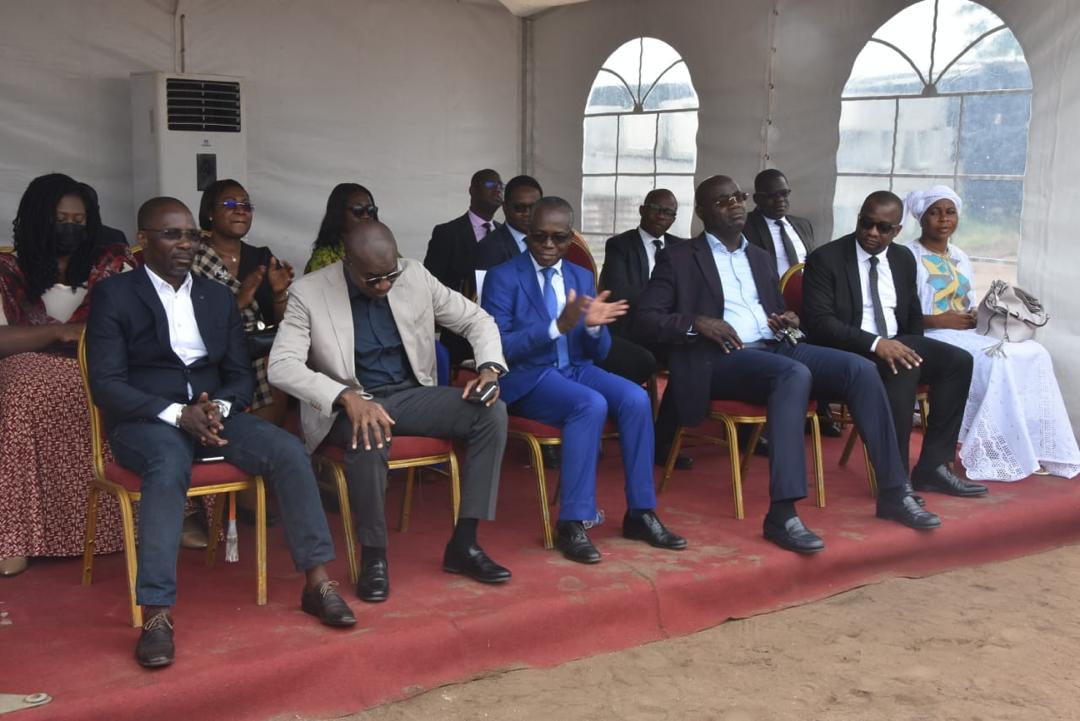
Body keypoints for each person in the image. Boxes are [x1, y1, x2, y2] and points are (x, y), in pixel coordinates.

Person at [86, 197, 355, 669]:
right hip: (148, 421)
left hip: (215, 414)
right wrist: (178, 414)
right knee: (168, 463)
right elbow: (106, 383)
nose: (185, 243)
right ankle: (156, 613)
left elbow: (239, 374)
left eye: (190, 235)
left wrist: (218, 409)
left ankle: (317, 583)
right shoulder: (116, 294)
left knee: (288, 450)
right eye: (171, 234)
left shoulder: (215, 296)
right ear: (143, 239)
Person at [635, 176, 942, 554]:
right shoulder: (680, 257)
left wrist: (788, 319)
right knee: (792, 375)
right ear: (700, 212)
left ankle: (894, 491)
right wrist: (697, 322)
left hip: (775, 346)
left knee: (858, 368)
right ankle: (782, 513)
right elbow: (645, 319)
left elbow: (776, 312)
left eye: (738, 198)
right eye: (722, 201)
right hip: (720, 358)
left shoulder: (759, 257)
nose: (735, 205)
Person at [268, 220, 512, 603]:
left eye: (390, 275)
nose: (384, 285)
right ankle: (374, 556)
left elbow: (476, 319)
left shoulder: (414, 275)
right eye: (372, 279)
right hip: (346, 406)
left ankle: (464, 543)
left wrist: (489, 369)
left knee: (490, 413)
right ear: (348, 263)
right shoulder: (309, 292)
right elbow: (282, 365)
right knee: (369, 431)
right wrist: (346, 397)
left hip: (411, 396)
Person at [481, 196, 686, 564]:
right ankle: (572, 522)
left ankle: (640, 512)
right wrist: (555, 326)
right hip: (529, 377)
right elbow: (502, 347)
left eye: (558, 238)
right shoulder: (503, 276)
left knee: (636, 398)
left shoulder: (581, 276)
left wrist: (592, 327)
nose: (548, 245)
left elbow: (599, 351)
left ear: (570, 237)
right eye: (539, 236)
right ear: (527, 234)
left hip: (576, 367)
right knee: (589, 404)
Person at [802, 190, 987, 498]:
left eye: (883, 227)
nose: (873, 232)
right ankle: (896, 480)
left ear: (897, 230)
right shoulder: (826, 258)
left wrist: (911, 345)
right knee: (902, 366)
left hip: (896, 343)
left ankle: (934, 467)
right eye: (866, 223)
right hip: (850, 350)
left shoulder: (902, 258)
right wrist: (877, 344)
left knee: (959, 362)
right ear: (859, 219)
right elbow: (820, 323)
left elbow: (912, 314)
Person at [0, 173, 136, 578]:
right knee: (22, 382)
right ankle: (15, 536)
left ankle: (174, 516)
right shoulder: (8, 271)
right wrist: (60, 333)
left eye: (79, 221)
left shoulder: (112, 266)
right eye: (61, 219)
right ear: (37, 219)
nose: (71, 228)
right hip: (27, 371)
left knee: (153, 382)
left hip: (103, 367)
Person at [904, 185, 1080, 481]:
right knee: (997, 360)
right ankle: (996, 449)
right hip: (930, 336)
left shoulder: (960, 255)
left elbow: (967, 301)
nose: (943, 219)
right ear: (921, 218)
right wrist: (938, 320)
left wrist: (976, 314)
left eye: (950, 212)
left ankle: (1034, 445)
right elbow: (899, 315)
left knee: (1035, 353)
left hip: (964, 332)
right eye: (934, 213)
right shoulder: (907, 256)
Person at [598, 188, 693, 468]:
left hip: (667, 329)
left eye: (669, 212)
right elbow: (618, 291)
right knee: (642, 360)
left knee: (691, 359)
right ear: (642, 210)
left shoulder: (681, 248)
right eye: (656, 209)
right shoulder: (620, 245)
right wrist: (662, 304)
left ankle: (663, 443)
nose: (662, 216)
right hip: (631, 327)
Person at [193, 179, 294, 425]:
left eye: (246, 205)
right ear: (209, 212)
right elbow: (188, 319)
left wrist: (279, 294)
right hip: (212, 348)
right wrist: (239, 301)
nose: (240, 210)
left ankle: (266, 437)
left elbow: (282, 323)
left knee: (277, 360)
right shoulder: (193, 257)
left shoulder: (261, 257)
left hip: (256, 347)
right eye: (230, 204)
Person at [424, 169, 504, 364]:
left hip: (500, 330)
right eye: (490, 184)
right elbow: (431, 283)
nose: (498, 189)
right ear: (472, 190)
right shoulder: (447, 233)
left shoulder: (504, 234)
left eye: (501, 186)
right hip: (459, 333)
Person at [743, 169, 816, 276]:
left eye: (784, 193)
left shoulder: (803, 225)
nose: (780, 199)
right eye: (772, 195)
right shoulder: (744, 227)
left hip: (806, 285)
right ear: (757, 199)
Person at [305, 183, 379, 273]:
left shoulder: (380, 247)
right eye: (358, 210)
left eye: (371, 210)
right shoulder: (324, 257)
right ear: (339, 214)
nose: (366, 216)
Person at [475, 174, 542, 270]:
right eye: (520, 207)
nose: (527, 213)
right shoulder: (488, 247)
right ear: (505, 208)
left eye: (534, 207)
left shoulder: (548, 241)